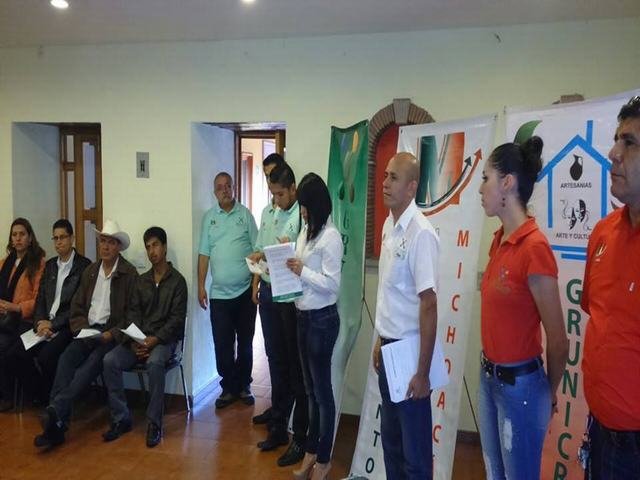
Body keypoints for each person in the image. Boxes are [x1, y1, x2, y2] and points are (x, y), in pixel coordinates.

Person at [478, 136, 568, 480]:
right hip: (488, 379)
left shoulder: (534, 248)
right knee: (494, 473)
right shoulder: (499, 240)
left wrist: (548, 392)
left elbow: (558, 340)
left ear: (507, 183)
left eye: (486, 178)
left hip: (522, 390)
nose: (481, 188)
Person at [34, 219, 138, 448]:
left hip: (109, 334)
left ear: (118, 246)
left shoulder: (129, 273)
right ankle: (57, 424)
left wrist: (111, 334)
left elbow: (132, 315)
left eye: (111, 242)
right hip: (86, 331)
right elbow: (77, 307)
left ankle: (55, 412)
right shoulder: (91, 271)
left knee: (90, 366)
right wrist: (81, 328)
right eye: (103, 241)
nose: (105, 246)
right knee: (65, 360)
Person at [581, 95, 640, 479]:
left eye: (629, 142)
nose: (613, 153)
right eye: (616, 139)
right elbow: (599, 316)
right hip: (598, 429)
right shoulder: (602, 233)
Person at [372, 152, 439, 480]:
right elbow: (390, 294)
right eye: (385, 175)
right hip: (388, 350)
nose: (385, 183)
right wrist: (379, 340)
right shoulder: (390, 225)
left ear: (412, 187)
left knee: (415, 456)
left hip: (410, 355)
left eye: (394, 178)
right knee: (392, 445)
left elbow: (429, 304)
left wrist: (422, 373)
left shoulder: (421, 233)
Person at [102, 226, 187, 447]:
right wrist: (135, 342)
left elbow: (176, 320)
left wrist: (155, 340)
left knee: (155, 362)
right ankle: (121, 419)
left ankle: (154, 423)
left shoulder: (178, 282)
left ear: (164, 247)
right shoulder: (141, 281)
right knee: (110, 360)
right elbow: (133, 314)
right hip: (139, 341)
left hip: (164, 342)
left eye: (155, 245)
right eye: (148, 247)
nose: (152, 251)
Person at [286, 173, 343, 480]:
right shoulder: (306, 231)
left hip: (322, 320)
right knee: (310, 392)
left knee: (322, 394)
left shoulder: (331, 237)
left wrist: (303, 271)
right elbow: (300, 265)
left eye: (306, 206)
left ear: (317, 205)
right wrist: (286, 255)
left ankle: (323, 459)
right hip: (303, 316)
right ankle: (311, 451)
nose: (302, 212)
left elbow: (332, 285)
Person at [256, 162, 307, 468]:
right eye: (272, 194)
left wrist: (269, 252)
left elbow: (287, 250)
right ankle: (277, 418)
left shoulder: (301, 215)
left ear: (293, 190)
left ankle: (285, 423)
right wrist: (258, 270)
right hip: (267, 288)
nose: (276, 200)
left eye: (280, 194)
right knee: (273, 357)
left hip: (287, 297)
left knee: (290, 362)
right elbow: (265, 248)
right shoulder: (272, 211)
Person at [197, 172, 258, 409]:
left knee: (245, 343)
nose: (224, 190)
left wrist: (255, 284)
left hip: (244, 294)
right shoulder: (209, 218)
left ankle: (244, 386)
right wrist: (201, 285)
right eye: (220, 187)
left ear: (234, 188)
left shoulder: (245, 215)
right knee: (222, 344)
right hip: (219, 296)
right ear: (214, 192)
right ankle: (228, 387)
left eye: (228, 186)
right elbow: (204, 254)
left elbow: (258, 251)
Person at [28, 219, 91, 404]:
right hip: (45, 324)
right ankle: (40, 395)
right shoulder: (50, 265)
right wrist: (39, 323)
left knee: (46, 356)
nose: (58, 242)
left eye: (63, 237)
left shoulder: (84, 266)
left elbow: (78, 306)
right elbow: (40, 299)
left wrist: (53, 325)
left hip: (67, 326)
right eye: (55, 238)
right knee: (19, 351)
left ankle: (53, 400)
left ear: (72, 238)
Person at [250, 152, 285, 426]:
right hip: (267, 288)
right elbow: (259, 251)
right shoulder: (265, 211)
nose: (269, 179)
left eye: (272, 173)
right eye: (266, 175)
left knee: (286, 354)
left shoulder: (293, 211)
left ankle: (285, 411)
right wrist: (256, 284)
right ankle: (276, 407)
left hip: (286, 291)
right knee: (272, 352)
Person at [0, 218, 46, 411]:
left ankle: (13, 395)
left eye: (22, 234)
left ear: (30, 238)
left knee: (8, 350)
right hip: (4, 318)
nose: (18, 238)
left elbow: (39, 299)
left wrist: (16, 307)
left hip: (26, 320)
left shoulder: (38, 263)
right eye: (14, 235)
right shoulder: (4, 263)